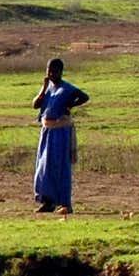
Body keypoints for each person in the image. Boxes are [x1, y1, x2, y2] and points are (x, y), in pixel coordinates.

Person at [32, 58, 87, 214]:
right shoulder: (48, 88)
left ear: (61, 72)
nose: (51, 74)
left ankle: (65, 203)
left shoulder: (67, 88)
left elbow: (84, 97)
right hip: (47, 132)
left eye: (54, 71)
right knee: (44, 168)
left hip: (61, 133)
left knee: (60, 166)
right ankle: (48, 202)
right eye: (49, 71)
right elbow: (35, 105)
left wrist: (70, 105)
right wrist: (43, 88)